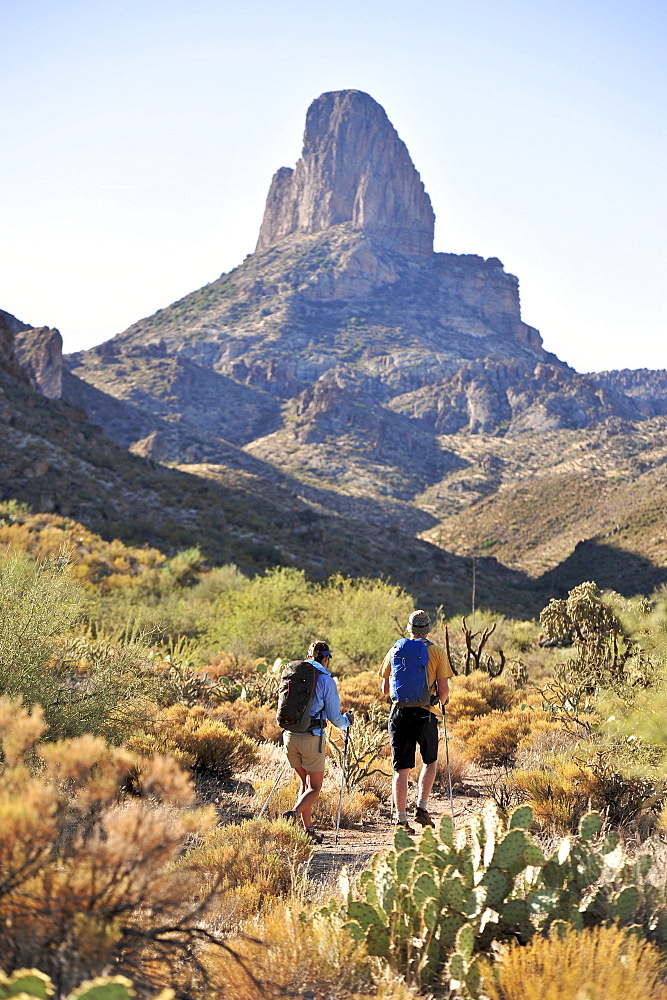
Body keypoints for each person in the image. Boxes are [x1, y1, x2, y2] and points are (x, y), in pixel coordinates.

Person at [379, 609, 453, 832]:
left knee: (401, 769)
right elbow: (443, 692)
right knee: (430, 762)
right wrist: (441, 700)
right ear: (428, 629)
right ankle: (421, 808)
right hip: (425, 714)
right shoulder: (437, 652)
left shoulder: (395, 650)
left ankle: (401, 820)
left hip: (399, 714)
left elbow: (385, 690)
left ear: (409, 629)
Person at [282, 640, 353, 843]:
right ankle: (293, 814)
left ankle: (308, 830)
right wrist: (347, 721)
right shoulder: (325, 680)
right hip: (311, 739)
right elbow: (335, 718)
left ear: (309, 655)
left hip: (289, 736)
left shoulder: (293, 674)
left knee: (305, 784)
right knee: (314, 788)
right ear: (326, 658)